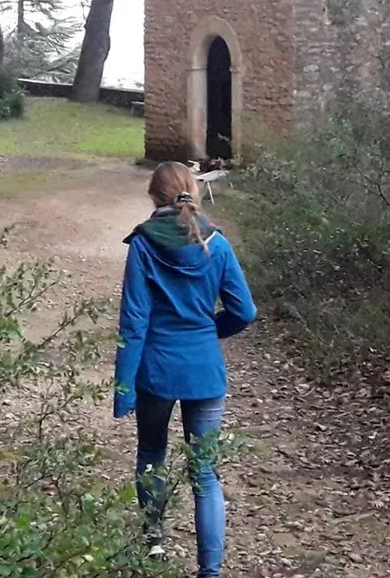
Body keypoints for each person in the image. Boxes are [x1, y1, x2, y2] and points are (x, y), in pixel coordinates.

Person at [114, 161, 257, 578]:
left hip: (156, 370)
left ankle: (153, 544)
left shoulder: (143, 245)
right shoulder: (218, 244)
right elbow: (244, 311)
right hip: (204, 372)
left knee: (151, 456)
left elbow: (134, 320)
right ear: (191, 192)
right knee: (206, 473)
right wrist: (208, 332)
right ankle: (209, 572)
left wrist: (124, 386)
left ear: (153, 196)